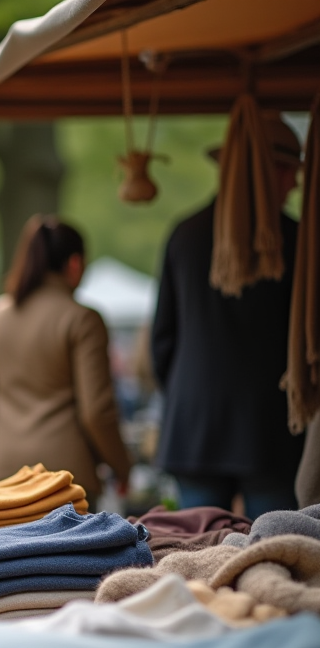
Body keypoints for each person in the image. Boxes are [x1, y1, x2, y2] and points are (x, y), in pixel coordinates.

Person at [151, 116, 303, 517]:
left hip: (195, 424)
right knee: (276, 550)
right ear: (271, 171)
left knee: (197, 557)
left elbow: (161, 342)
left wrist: (190, 394)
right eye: (290, 171)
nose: (296, 184)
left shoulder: (185, 235)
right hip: (271, 429)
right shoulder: (299, 240)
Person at [0, 216, 131, 506]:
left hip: (1, 472)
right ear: (74, 264)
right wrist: (122, 466)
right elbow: (96, 412)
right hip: (65, 478)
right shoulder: (82, 319)